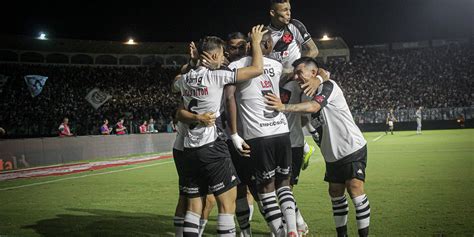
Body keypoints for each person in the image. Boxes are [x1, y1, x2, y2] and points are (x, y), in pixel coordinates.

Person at [174, 25, 267, 236]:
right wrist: (255, 44)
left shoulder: (185, 79)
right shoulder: (217, 76)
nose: (225, 56)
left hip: (189, 149)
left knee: (194, 207)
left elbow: (175, 86)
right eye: (222, 53)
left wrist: (193, 62)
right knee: (227, 205)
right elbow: (257, 70)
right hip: (212, 148)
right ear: (215, 54)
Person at [265, 57, 371, 237]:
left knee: (354, 188)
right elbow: (307, 117)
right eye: (295, 72)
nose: (296, 76)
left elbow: (314, 107)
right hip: (332, 153)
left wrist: (284, 107)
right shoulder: (304, 92)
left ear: (313, 73)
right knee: (335, 193)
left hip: (351, 146)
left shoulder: (328, 86)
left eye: (300, 72)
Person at [268, 0, 322, 179]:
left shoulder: (295, 26)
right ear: (273, 13)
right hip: (274, 82)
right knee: (280, 117)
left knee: (291, 114)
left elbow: (313, 50)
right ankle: (306, 146)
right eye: (284, 10)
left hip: (293, 80)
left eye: (289, 9)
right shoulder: (264, 34)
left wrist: (296, 69)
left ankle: (307, 144)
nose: (288, 13)